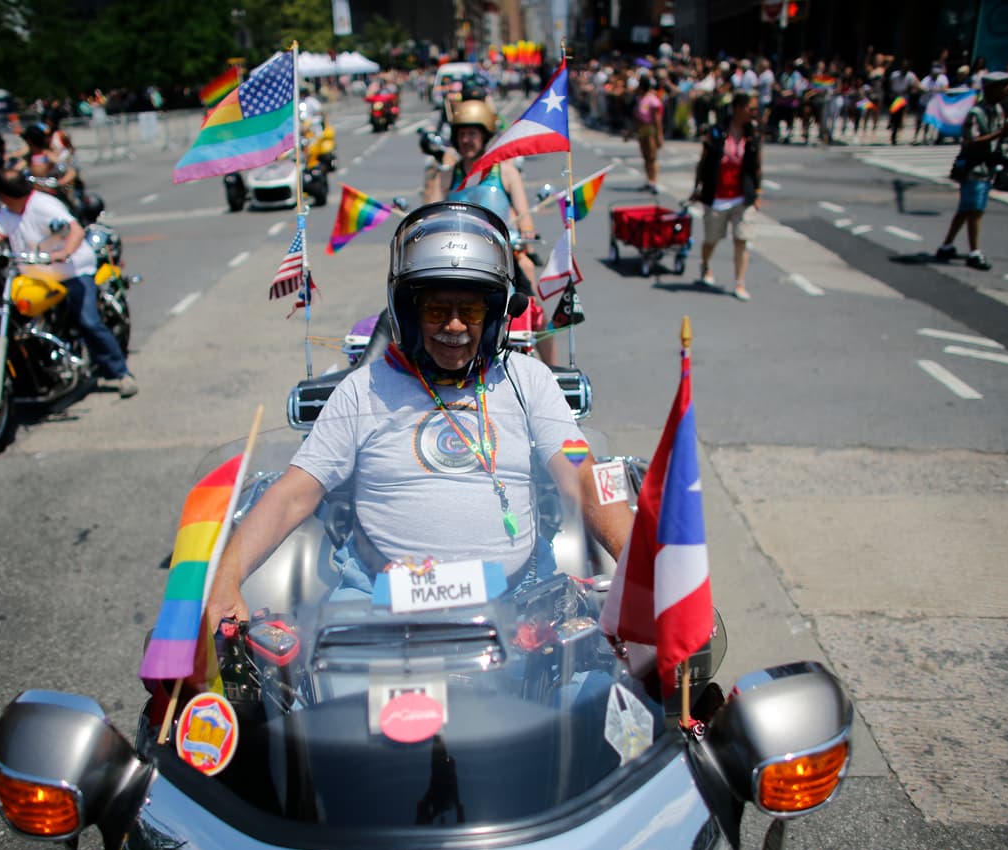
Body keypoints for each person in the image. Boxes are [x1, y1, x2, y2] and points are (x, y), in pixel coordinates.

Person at [206, 201, 631, 629]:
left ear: (495, 314)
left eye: (471, 310)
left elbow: (580, 472)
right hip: (379, 605)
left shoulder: (530, 381)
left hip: (519, 604)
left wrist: (640, 563)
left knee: (600, 691)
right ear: (407, 314)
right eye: (434, 310)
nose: (454, 325)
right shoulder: (361, 390)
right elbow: (294, 493)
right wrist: (226, 577)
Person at [0, 169, 137, 396]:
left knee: (88, 321)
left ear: (4, 194)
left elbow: (74, 229)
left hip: (72, 271)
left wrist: (65, 251)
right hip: (36, 275)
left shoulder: (43, 205)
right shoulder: (9, 212)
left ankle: (121, 373)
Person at [423, 99, 554, 363]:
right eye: (461, 134)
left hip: (500, 259)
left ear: (484, 136)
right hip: (455, 259)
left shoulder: (505, 172)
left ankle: (553, 371)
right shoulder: (447, 175)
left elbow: (525, 219)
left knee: (535, 310)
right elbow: (428, 218)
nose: (466, 140)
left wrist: (524, 235)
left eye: (472, 134)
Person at [934, 73, 1008, 271]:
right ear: (992, 89)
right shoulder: (976, 113)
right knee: (975, 210)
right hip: (974, 167)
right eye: (1005, 86)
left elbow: (998, 135)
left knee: (966, 208)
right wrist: (1001, 133)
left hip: (987, 166)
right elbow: (970, 141)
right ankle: (974, 252)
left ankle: (946, 245)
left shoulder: (998, 110)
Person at [692, 91, 763, 302]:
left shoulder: (753, 134)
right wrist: (697, 188)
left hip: (742, 196)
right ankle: (705, 264)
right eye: (751, 108)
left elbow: (757, 165)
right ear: (739, 108)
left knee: (742, 239)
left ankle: (740, 282)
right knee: (711, 239)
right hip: (718, 195)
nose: (754, 113)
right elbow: (703, 162)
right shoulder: (717, 131)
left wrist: (758, 192)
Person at [632, 76, 665, 191]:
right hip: (642, 130)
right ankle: (649, 180)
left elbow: (657, 119)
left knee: (652, 157)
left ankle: (654, 181)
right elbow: (636, 116)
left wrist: (659, 135)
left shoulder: (653, 100)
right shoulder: (640, 99)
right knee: (645, 157)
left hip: (651, 130)